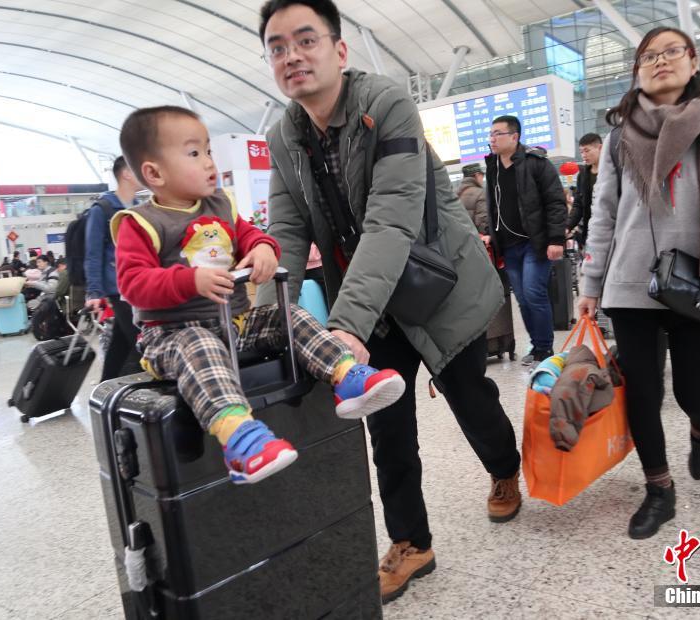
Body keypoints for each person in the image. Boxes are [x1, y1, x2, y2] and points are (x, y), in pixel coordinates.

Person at [257, 0, 522, 603]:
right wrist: (273, 317)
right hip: (370, 304)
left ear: (339, 50)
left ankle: (504, 467)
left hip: (437, 286)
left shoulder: (387, 103)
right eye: (277, 47)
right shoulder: (283, 136)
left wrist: (346, 324)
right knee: (387, 428)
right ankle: (411, 542)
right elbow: (288, 233)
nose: (292, 56)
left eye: (305, 40)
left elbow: (392, 220)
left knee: (470, 399)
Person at [113, 105, 406, 484]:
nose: (209, 162)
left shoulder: (220, 204)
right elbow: (132, 283)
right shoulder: (140, 224)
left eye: (208, 150)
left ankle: (345, 376)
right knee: (201, 346)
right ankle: (239, 437)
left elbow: (250, 234)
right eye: (194, 153)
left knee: (290, 315)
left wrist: (264, 248)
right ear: (155, 173)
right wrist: (190, 281)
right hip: (173, 336)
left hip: (234, 323)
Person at [577, 26, 700, 540]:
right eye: (648, 56)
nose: (660, 61)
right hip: (631, 279)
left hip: (699, 281)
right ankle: (659, 490)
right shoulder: (619, 138)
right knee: (642, 391)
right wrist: (589, 283)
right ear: (637, 71)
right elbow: (604, 214)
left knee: (691, 391)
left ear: (693, 60)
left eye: (671, 52)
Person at [484, 114, 567, 366]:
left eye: (497, 133)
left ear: (514, 136)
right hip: (508, 246)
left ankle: (545, 348)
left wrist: (556, 239)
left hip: (535, 242)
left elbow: (555, 202)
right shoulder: (493, 166)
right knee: (522, 298)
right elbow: (494, 206)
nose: (492, 139)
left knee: (533, 293)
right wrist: (489, 231)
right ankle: (536, 345)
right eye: (490, 134)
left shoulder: (535, 163)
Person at [84, 156, 145, 381]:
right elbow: (93, 253)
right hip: (117, 286)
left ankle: (105, 385)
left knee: (120, 344)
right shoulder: (103, 208)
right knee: (141, 341)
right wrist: (94, 291)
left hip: (136, 282)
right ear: (126, 174)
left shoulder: (139, 207)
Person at [566, 133, 603, 248]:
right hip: (590, 232)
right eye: (581, 152)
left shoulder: (612, 171)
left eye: (587, 151)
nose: (583, 155)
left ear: (600, 148)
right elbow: (578, 205)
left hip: (612, 229)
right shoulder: (583, 175)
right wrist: (568, 226)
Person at [457, 163, 489, 234]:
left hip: (462, 236)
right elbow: (483, 222)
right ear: (477, 175)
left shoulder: (456, 194)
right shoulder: (481, 193)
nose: (482, 179)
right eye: (482, 176)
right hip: (477, 237)